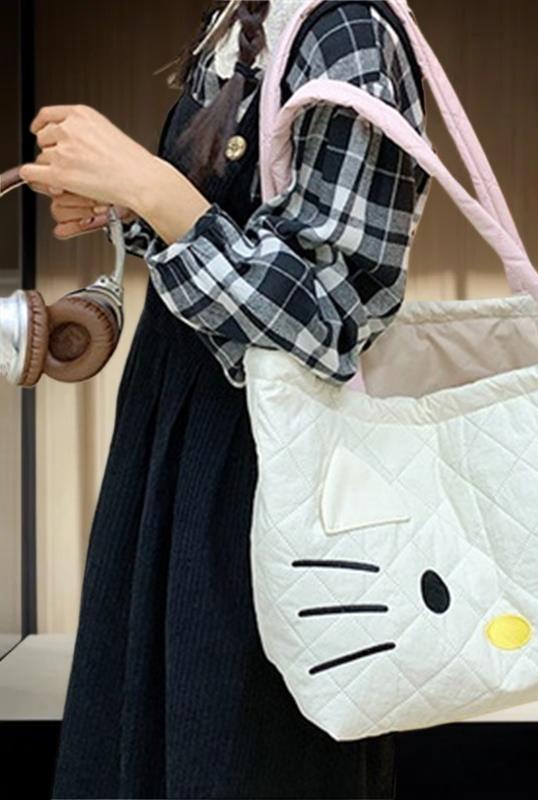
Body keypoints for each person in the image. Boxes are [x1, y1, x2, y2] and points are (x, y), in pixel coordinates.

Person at [20, 1, 430, 797]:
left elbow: (331, 320)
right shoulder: (241, 16)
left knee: (243, 748)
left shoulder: (347, 30)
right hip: (177, 437)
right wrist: (131, 202)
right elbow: (243, 235)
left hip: (258, 472)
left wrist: (151, 185)